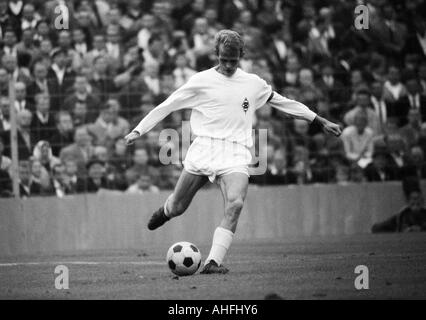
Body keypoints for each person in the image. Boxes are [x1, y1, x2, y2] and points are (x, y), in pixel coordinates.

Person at [124, 30, 341, 274]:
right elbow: (167, 105)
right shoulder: (200, 81)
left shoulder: (253, 83)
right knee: (178, 207)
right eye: (223, 59)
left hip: (236, 151)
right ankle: (166, 210)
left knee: (235, 203)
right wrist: (138, 130)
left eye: (233, 60)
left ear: (241, 56)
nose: (228, 65)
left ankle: (213, 262)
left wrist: (319, 120)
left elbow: (283, 102)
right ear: (216, 54)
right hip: (204, 147)